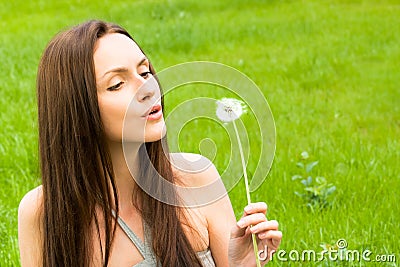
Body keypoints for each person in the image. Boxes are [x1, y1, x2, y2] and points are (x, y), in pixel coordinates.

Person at [18, 20, 282, 266]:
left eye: (144, 72)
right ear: (76, 109)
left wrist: (243, 262)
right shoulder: (43, 213)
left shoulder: (196, 178)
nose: (148, 88)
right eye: (117, 84)